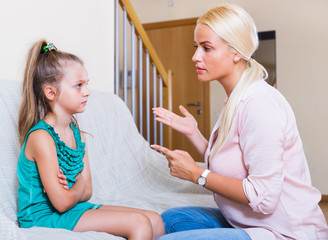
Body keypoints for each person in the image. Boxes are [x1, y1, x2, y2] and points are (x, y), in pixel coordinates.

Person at [151, 4, 328, 240]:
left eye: (206, 48)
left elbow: (263, 198)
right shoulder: (236, 99)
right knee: (169, 221)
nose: (195, 56)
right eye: (196, 47)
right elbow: (230, 164)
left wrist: (197, 174)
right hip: (245, 223)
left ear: (236, 52)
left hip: (283, 232)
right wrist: (193, 132)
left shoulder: (259, 104)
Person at [17, 40, 165, 240]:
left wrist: (73, 189)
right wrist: (79, 183)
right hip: (43, 217)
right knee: (138, 223)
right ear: (51, 93)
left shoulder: (77, 132)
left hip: (71, 209)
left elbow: (88, 191)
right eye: (78, 86)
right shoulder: (41, 137)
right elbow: (62, 201)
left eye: (87, 84)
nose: (87, 91)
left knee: (154, 219)